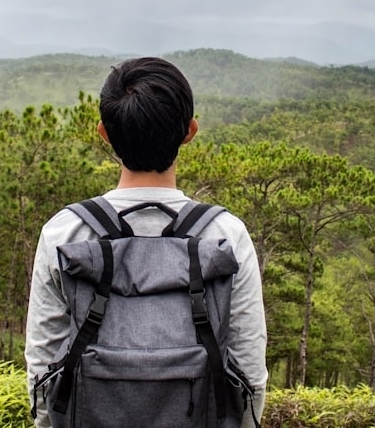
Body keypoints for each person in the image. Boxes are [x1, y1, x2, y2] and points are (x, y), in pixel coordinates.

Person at [24, 56, 268, 427]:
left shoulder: (64, 232)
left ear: (104, 133)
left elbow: (43, 365)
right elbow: (249, 368)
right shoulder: (226, 235)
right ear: (190, 131)